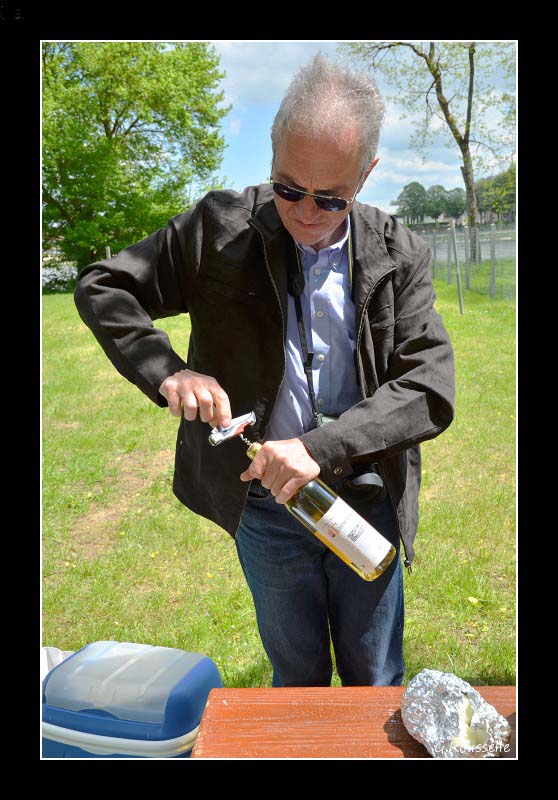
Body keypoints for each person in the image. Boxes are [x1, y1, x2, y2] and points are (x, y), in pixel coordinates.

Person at [74, 54, 455, 688]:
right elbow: (104, 285)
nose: (305, 212)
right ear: (272, 155)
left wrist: (318, 449)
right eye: (287, 187)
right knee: (296, 676)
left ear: (367, 174)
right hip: (265, 505)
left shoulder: (399, 252)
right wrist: (168, 371)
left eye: (330, 198)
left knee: (375, 678)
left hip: (365, 498)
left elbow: (428, 387)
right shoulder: (218, 228)